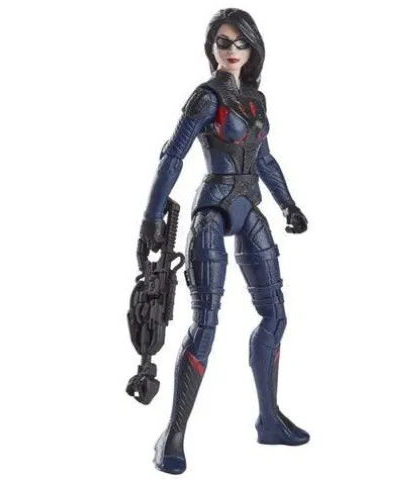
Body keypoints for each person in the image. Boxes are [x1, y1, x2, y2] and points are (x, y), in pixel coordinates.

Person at [139, 8, 310, 474]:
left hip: (248, 206)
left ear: (252, 48)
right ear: (211, 47)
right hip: (212, 209)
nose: (231, 50)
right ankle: (173, 434)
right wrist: (152, 217)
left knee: (275, 314)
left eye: (240, 42)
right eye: (222, 42)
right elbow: (172, 156)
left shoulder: (256, 99)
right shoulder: (206, 97)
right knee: (205, 324)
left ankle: (269, 419)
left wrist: (289, 205)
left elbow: (265, 159)